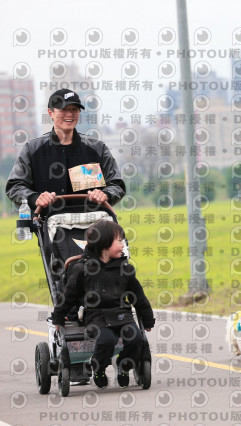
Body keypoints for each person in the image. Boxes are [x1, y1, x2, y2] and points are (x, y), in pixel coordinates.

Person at [52, 220, 155, 388]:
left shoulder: (125, 268)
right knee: (106, 340)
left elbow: (138, 297)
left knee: (136, 338)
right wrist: (58, 318)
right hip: (96, 316)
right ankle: (98, 368)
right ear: (105, 244)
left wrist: (148, 319)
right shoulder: (82, 269)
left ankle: (124, 366)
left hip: (121, 314)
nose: (123, 245)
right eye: (119, 241)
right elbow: (68, 296)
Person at [5, 89, 125, 210]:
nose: (69, 114)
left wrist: (106, 194)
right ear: (50, 112)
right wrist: (34, 198)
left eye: (74, 109)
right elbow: (15, 186)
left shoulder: (97, 149)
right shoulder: (32, 150)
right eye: (63, 109)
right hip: (45, 220)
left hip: (92, 220)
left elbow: (116, 184)